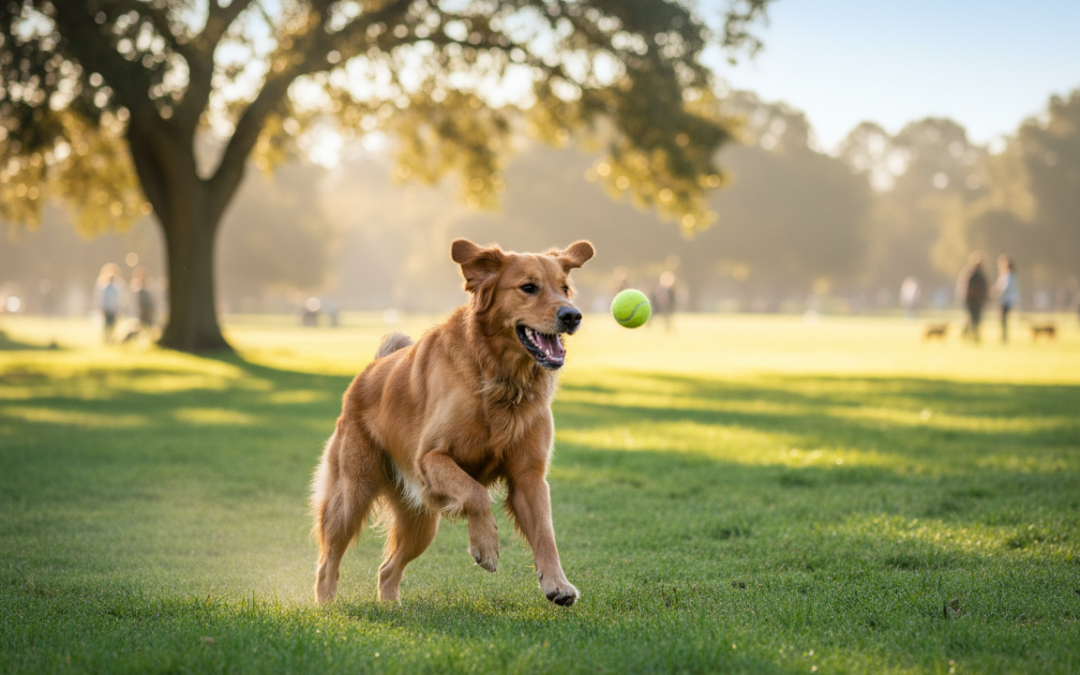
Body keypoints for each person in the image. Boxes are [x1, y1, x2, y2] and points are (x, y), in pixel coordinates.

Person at [956, 253, 988, 343]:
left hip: (978, 301)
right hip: (971, 301)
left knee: (975, 319)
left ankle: (972, 335)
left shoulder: (981, 274)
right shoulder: (971, 274)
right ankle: (970, 335)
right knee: (972, 319)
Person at [994, 255, 1019, 344]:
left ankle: (1004, 338)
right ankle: (1004, 337)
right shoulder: (1009, 275)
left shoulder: (1008, 275)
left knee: (1003, 320)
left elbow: (1004, 288)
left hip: (1005, 301)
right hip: (1006, 301)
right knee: (1003, 320)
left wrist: (996, 292)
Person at [96, 263, 123, 344]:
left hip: (113, 309)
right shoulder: (104, 288)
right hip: (107, 309)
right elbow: (102, 299)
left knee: (113, 326)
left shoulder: (117, 288)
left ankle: (112, 339)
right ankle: (106, 339)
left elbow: (118, 300)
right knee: (107, 326)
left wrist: (118, 309)